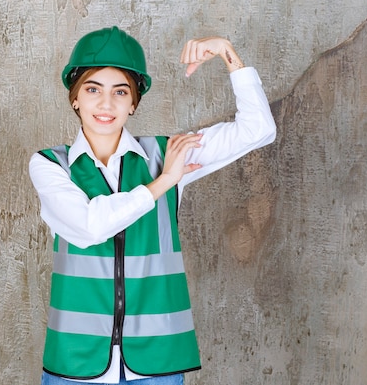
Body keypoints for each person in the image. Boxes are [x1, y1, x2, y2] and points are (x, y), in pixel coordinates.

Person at [29, 26, 276, 385]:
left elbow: (258, 129)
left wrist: (227, 53)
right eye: (93, 89)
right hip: (76, 364)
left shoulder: (166, 153)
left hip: (157, 363)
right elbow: (89, 227)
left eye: (120, 91)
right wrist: (163, 182)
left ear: (133, 103)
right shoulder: (51, 165)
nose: (106, 103)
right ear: (75, 98)